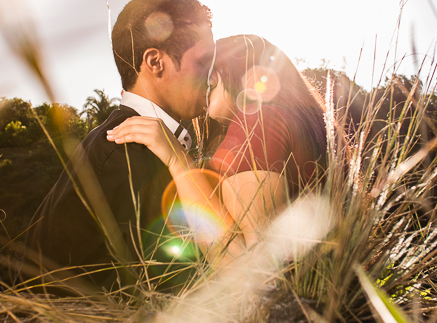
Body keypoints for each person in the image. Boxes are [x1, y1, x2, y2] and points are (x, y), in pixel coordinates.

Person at [25, 0, 214, 291]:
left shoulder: (129, 141)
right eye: (203, 62)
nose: (213, 76)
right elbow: (169, 286)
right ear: (155, 62)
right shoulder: (126, 151)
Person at [105, 34, 328, 261]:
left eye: (210, 65)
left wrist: (178, 161)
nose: (204, 80)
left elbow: (248, 265)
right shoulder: (293, 122)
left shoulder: (257, 123)